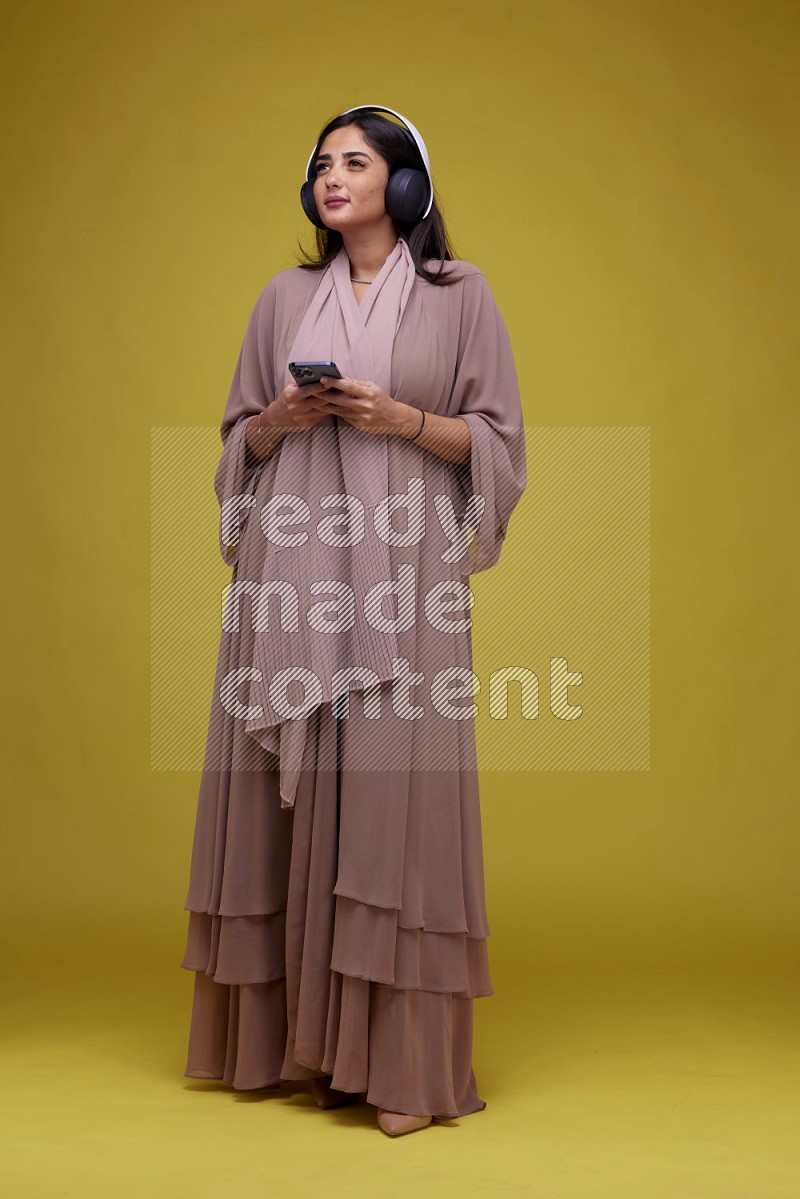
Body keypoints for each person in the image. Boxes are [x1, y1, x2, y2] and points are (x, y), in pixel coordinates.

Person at [179, 104, 527, 1137]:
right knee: (277, 803)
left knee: (391, 802)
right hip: (289, 575)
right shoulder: (281, 298)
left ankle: (388, 1060)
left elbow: (499, 440)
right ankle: (297, 1049)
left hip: (404, 577)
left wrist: (401, 420)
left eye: (356, 161)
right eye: (321, 164)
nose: (333, 177)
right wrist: (278, 420)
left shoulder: (460, 297)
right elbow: (236, 442)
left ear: (405, 183)